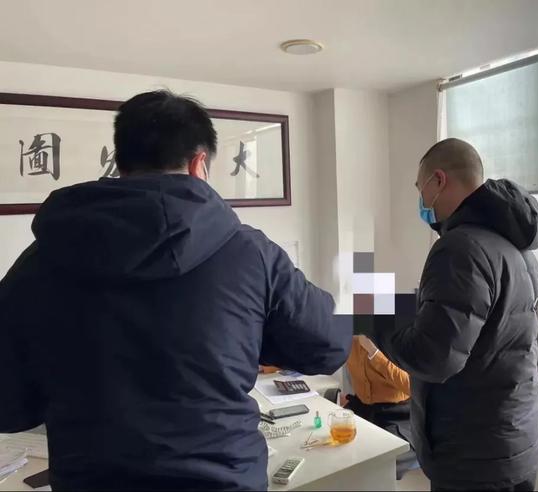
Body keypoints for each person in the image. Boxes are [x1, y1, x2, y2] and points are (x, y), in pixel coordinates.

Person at [0, 90, 351, 491]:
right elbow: (328, 346)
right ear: (200, 164)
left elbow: (8, 406)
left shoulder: (42, 260)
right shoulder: (250, 253)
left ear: (121, 163)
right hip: (221, 481)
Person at [358, 138, 538, 491]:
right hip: (520, 435)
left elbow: (434, 358)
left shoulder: (460, 247)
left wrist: (377, 320)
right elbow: (482, 329)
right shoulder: (517, 246)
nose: (421, 200)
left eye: (420, 188)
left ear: (439, 181)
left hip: (475, 456)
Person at [342, 335, 417, 480]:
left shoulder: (401, 336)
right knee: (336, 449)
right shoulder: (349, 336)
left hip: (398, 414)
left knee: (380, 461)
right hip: (361, 408)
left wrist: (374, 353)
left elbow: (412, 386)